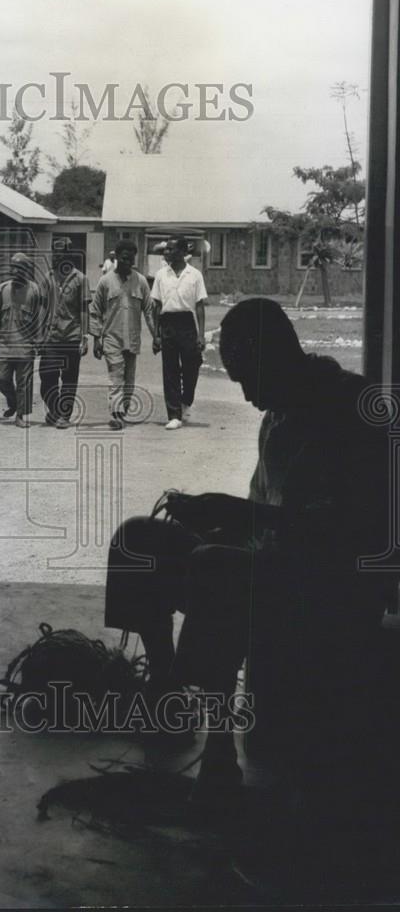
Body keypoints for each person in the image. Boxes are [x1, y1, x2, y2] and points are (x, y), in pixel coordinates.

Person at [105, 298, 391, 799]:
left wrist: (235, 518)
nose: (243, 394)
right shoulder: (279, 413)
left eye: (244, 378)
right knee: (138, 539)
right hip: (278, 558)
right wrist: (227, 523)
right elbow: (271, 519)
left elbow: (346, 533)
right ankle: (167, 693)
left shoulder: (350, 409)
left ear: (273, 357)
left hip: (332, 583)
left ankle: (219, 749)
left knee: (216, 568)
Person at [89, 241, 155, 430]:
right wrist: (96, 339)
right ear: (116, 257)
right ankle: (116, 414)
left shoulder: (140, 281)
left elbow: (149, 311)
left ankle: (123, 410)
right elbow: (95, 312)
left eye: (131, 259)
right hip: (112, 338)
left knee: (129, 378)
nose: (127, 262)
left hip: (132, 339)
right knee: (116, 376)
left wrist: (156, 337)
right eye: (124, 258)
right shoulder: (105, 282)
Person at [150, 236, 207, 430]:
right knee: (170, 370)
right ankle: (174, 414)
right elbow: (156, 306)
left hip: (187, 323)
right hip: (168, 323)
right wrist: (156, 334)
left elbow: (199, 306)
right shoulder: (160, 275)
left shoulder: (195, 275)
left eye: (171, 249)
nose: (167, 253)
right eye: (166, 249)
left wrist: (201, 335)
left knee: (193, 364)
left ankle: (186, 400)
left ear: (183, 252)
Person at [39, 238, 89, 430]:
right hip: (50, 337)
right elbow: (42, 308)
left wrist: (85, 337)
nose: (55, 256)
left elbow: (84, 310)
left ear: (68, 254)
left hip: (72, 336)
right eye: (54, 252)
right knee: (47, 377)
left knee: (69, 378)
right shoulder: (48, 277)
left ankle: (64, 416)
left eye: (59, 253)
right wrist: (39, 334)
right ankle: (55, 409)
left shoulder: (81, 279)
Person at [0, 252, 42, 429]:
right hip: (5, 344)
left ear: (27, 270)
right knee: (2, 380)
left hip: (25, 345)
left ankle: (20, 415)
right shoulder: (2, 289)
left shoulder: (35, 290)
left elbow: (39, 319)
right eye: (13, 267)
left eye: (20, 268)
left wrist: (38, 342)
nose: (16, 271)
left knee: (24, 383)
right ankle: (13, 403)